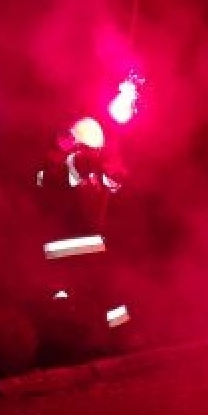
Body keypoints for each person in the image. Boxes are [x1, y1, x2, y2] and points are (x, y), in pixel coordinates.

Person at [36, 115, 127, 330]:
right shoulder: (72, 164)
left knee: (66, 295)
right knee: (101, 294)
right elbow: (110, 180)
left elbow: (114, 181)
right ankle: (116, 332)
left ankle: (73, 334)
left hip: (63, 247)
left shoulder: (61, 166)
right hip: (83, 244)